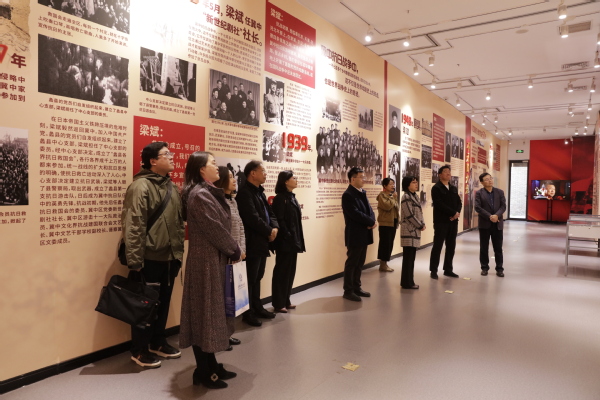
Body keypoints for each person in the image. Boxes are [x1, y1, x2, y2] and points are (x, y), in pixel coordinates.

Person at [179, 152, 242, 389]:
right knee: (203, 315)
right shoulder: (200, 195)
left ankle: (211, 365)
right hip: (205, 262)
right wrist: (234, 249)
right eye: (213, 164)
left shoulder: (206, 192)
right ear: (201, 170)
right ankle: (203, 371)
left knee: (209, 314)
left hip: (212, 259)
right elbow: (215, 229)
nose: (218, 167)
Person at [121, 142, 185, 368]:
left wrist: (178, 254)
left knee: (163, 303)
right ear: (153, 161)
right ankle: (139, 350)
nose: (172, 157)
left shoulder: (171, 187)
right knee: (144, 306)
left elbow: (178, 222)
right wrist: (135, 261)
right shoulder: (140, 186)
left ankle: (158, 341)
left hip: (169, 257)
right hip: (149, 258)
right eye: (166, 154)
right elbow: (134, 224)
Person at [236, 161, 279, 326]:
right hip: (252, 243)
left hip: (262, 242)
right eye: (263, 171)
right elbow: (252, 218)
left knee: (258, 277)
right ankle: (248, 313)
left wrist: (274, 228)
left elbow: (270, 213)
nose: (265, 174)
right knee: (250, 279)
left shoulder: (260, 192)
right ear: (253, 173)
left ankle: (257, 307)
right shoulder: (244, 193)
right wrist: (269, 231)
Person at [214, 166, 247, 349]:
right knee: (222, 299)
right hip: (224, 255)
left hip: (236, 255)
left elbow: (240, 227)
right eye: (230, 177)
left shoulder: (233, 201)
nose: (234, 180)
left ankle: (228, 334)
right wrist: (233, 250)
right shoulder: (217, 203)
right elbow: (220, 233)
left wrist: (242, 250)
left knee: (232, 297)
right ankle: (221, 336)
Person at [271, 171, 306, 313]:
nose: (296, 180)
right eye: (293, 178)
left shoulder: (292, 197)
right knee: (282, 272)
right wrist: (288, 235)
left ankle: (286, 300)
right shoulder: (280, 198)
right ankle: (278, 303)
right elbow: (279, 220)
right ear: (286, 181)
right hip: (285, 242)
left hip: (293, 241)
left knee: (290, 271)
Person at [341, 167, 376, 301]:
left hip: (364, 232)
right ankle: (348, 290)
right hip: (355, 233)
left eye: (364, 177)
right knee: (352, 262)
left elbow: (369, 210)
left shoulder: (362, 192)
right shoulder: (348, 195)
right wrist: (370, 221)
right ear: (353, 179)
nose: (363, 179)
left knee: (360, 262)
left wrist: (372, 220)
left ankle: (357, 287)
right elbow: (355, 213)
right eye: (361, 177)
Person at [429, 165, 461, 279]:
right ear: (440, 175)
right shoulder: (436, 188)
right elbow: (439, 204)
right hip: (441, 221)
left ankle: (448, 269)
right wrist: (453, 213)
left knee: (451, 246)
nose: (448, 173)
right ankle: (433, 270)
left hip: (453, 222)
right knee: (437, 246)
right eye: (445, 171)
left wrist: (457, 213)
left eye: (449, 171)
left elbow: (459, 202)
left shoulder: (453, 188)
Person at [474, 173, 506, 277]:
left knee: (498, 248)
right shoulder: (479, 193)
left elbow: (503, 206)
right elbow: (478, 207)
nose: (490, 180)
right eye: (487, 179)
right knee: (484, 247)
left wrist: (496, 215)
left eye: (491, 178)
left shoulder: (499, 192)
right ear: (482, 182)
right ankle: (484, 267)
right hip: (485, 224)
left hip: (497, 223)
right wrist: (490, 216)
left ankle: (499, 268)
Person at [400, 176, 426, 289]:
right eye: (413, 182)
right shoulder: (406, 197)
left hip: (415, 230)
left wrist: (423, 223)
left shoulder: (415, 196)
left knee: (411, 259)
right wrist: (420, 225)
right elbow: (409, 215)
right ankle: (407, 283)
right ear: (407, 184)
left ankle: (409, 281)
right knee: (408, 259)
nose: (416, 184)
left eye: (416, 182)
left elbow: (420, 212)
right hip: (409, 231)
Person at [376, 177, 398, 272]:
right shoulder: (382, 196)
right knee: (385, 244)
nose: (393, 186)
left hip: (392, 222)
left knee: (389, 243)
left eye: (393, 184)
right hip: (385, 223)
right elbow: (387, 206)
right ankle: (382, 264)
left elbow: (396, 209)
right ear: (385, 186)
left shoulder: (391, 195)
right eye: (390, 184)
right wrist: (394, 198)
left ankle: (385, 263)